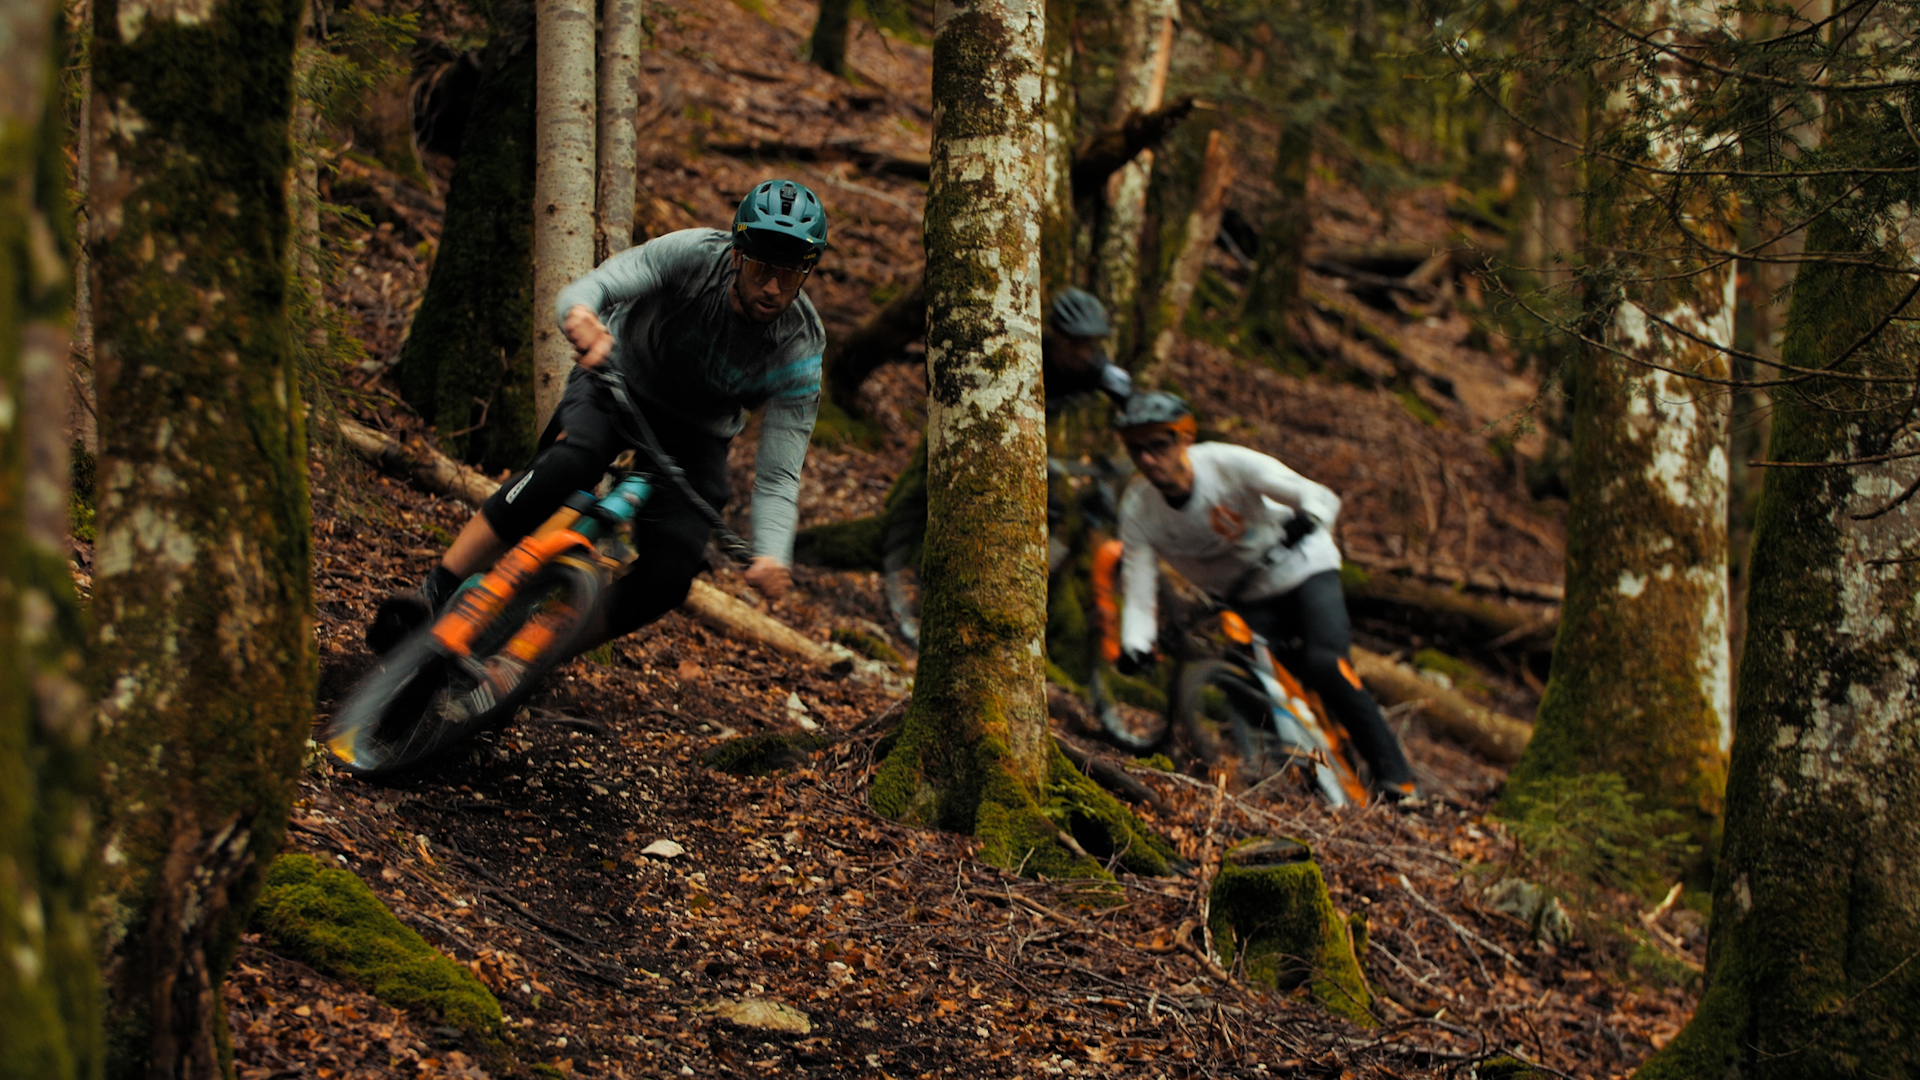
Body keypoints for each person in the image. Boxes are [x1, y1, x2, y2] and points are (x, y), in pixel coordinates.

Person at [368, 178, 829, 655]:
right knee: (571, 461)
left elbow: (778, 474)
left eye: (790, 274)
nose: (772, 288)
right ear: (736, 255)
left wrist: (772, 551)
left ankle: (536, 656)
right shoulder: (693, 255)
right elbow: (599, 285)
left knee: (669, 577)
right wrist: (583, 316)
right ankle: (436, 589)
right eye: (761, 268)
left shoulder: (800, 347)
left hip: (698, 436)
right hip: (619, 381)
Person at [1110, 392, 1419, 800]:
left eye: (1158, 445)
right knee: (1242, 673)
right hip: (1245, 597)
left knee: (1325, 664)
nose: (1149, 459)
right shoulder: (1139, 511)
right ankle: (1292, 774)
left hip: (1303, 567)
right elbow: (1138, 586)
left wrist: (1309, 518)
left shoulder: (1227, 463)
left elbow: (1316, 495)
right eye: (1137, 450)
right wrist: (1136, 644)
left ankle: (1398, 779)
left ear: (1184, 439)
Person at [876, 287, 1132, 641]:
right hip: (990, 426)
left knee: (1060, 510)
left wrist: (1126, 449)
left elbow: (1132, 405)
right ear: (1057, 338)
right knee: (949, 495)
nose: (1083, 354)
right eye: (1075, 344)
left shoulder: (1096, 369)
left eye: (1091, 345)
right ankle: (922, 571)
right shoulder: (1029, 354)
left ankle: (1027, 592)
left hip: (1040, 436)